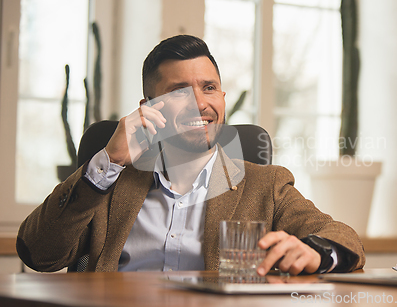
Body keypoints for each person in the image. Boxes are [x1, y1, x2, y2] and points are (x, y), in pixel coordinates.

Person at [17, 35, 365, 275]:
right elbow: (38, 253)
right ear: (148, 108)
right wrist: (107, 162)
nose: (200, 104)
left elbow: (342, 237)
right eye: (180, 91)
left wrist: (316, 252)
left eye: (209, 88)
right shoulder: (109, 181)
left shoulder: (266, 185)